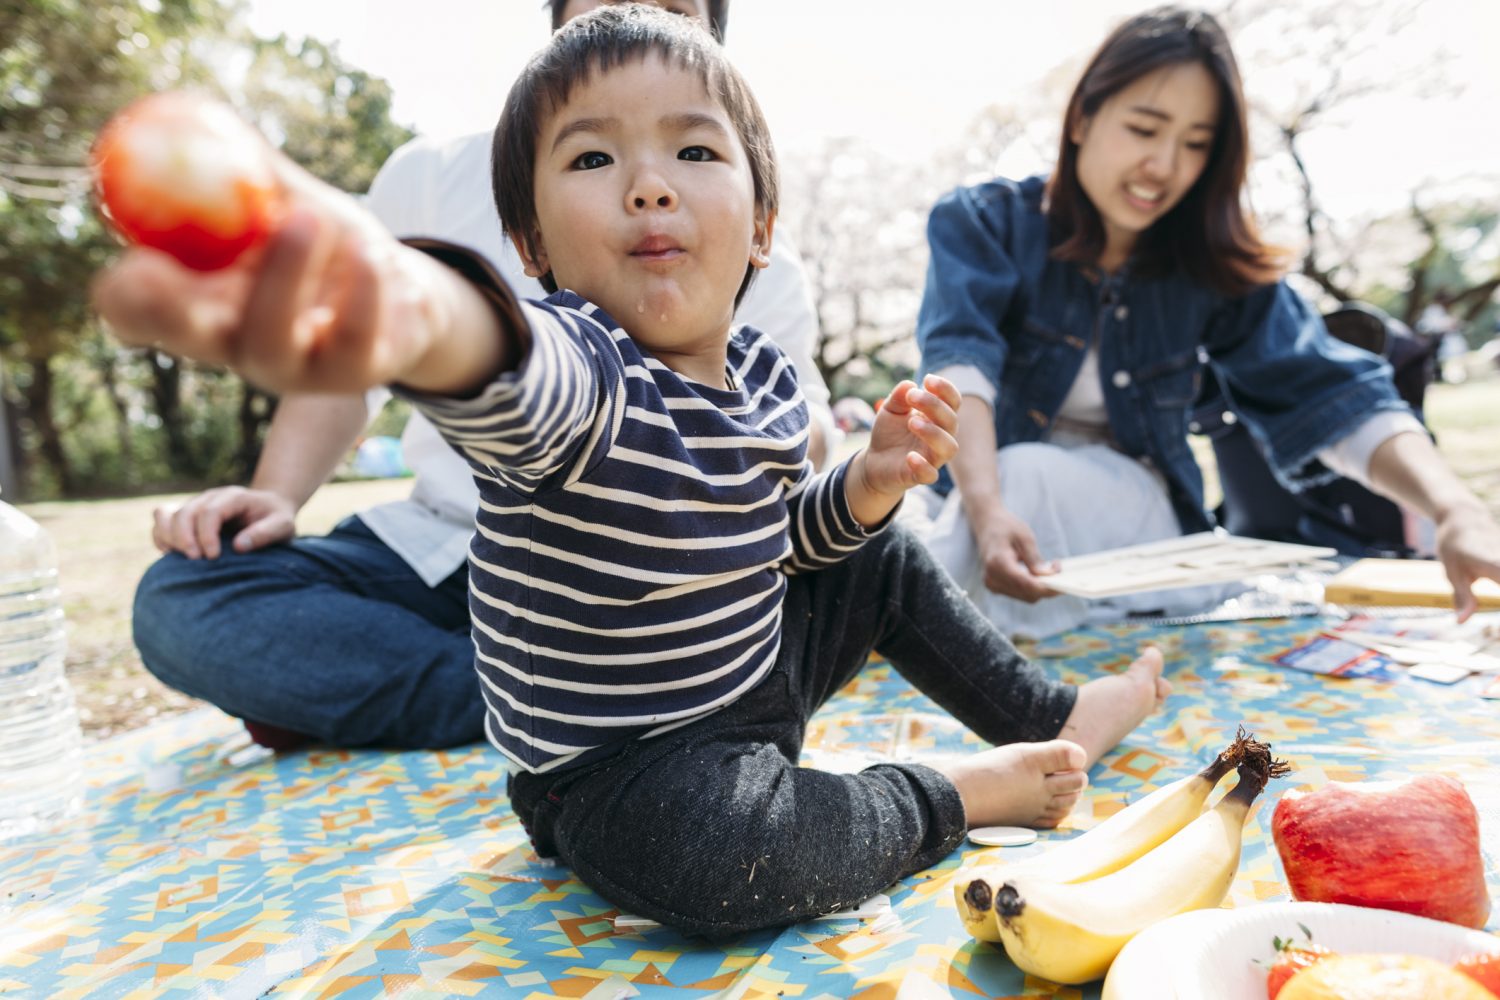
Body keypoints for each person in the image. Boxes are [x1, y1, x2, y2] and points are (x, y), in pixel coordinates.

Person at [95, 5, 1171, 939]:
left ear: (760, 225)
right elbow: (502, 364)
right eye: (593, 160)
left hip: (749, 683)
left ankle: (1052, 709)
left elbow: (775, 539)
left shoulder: (761, 373)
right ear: (531, 245)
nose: (649, 186)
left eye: (694, 153)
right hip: (628, 774)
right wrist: (412, 306)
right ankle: (950, 794)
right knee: (722, 867)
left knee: (878, 552)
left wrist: (866, 488)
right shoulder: (582, 368)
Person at [129, 0, 835, 751]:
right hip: (439, 548)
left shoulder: (750, 243)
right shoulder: (431, 175)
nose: (649, 191)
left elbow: (803, 440)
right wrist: (272, 496)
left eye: (668, 9)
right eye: (590, 161)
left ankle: (387, 694)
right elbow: (351, 365)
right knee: (181, 598)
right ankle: (533, 696)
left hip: (637, 595)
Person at [914, 6, 1500, 639]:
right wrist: (987, 506)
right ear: (1082, 117)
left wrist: (1454, 510)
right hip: (982, 501)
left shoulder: (1204, 262)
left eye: (1195, 145)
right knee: (888, 520)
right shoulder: (983, 222)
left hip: (1131, 525)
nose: (1164, 167)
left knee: (1024, 479)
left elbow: (1334, 395)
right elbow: (958, 371)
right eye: (1144, 129)